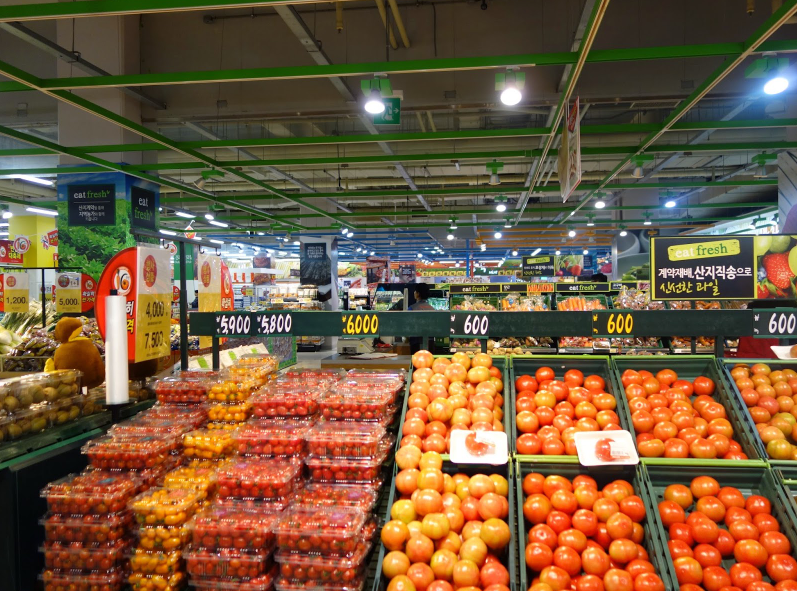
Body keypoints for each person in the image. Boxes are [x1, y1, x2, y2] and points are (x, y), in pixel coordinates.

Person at [409, 283, 434, 353]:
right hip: (430, 342)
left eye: (415, 291)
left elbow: (408, 326)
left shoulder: (412, 308)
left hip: (416, 343)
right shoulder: (432, 309)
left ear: (418, 294)